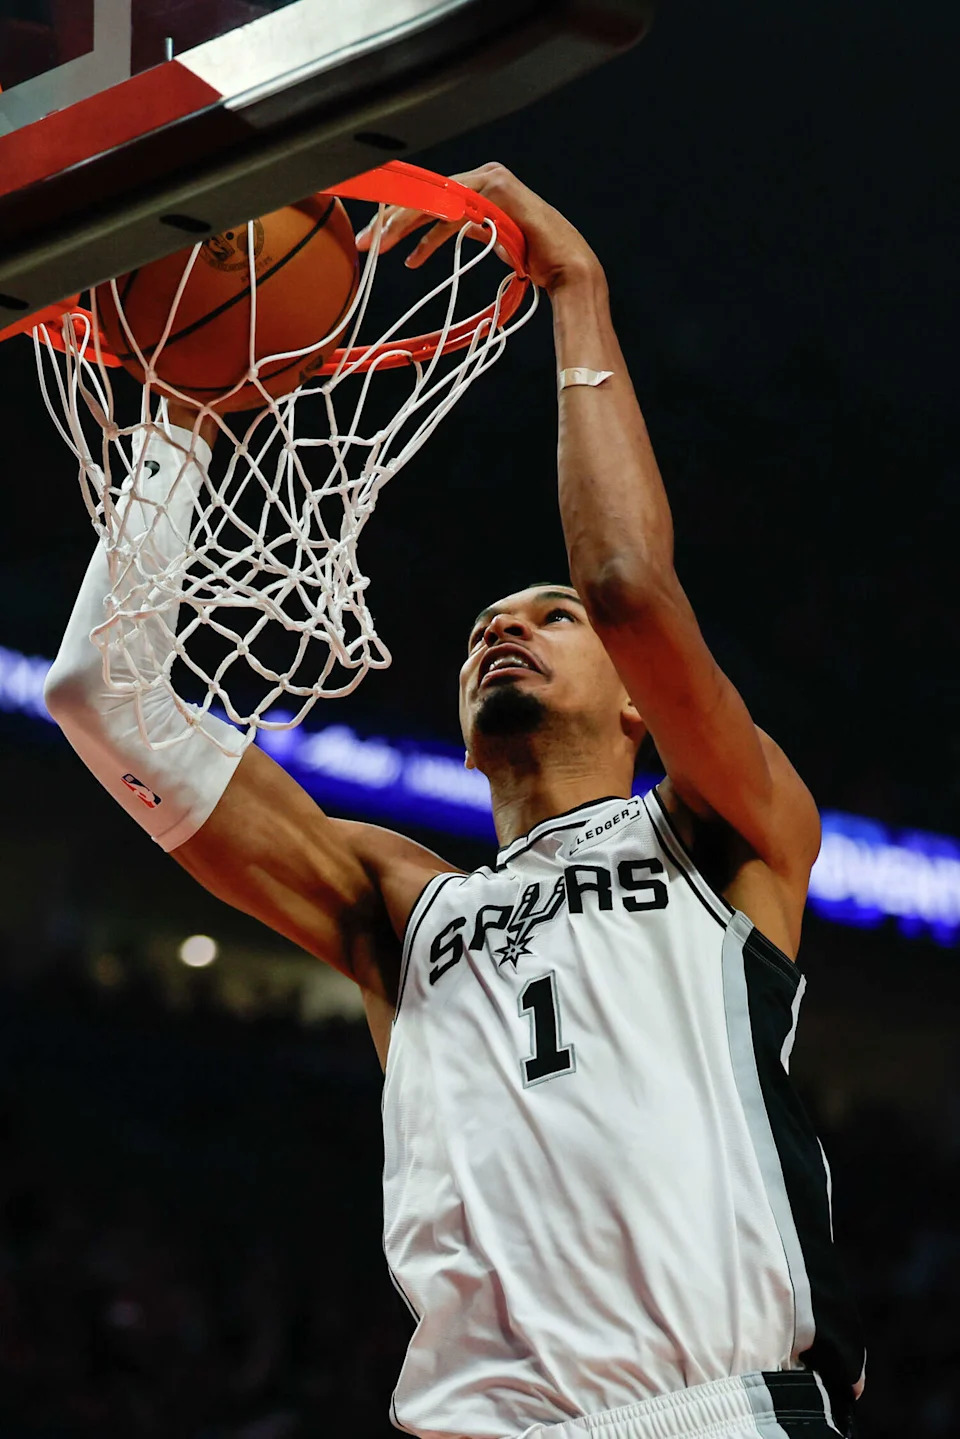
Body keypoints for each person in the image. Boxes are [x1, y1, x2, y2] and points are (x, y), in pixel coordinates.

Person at [44, 164, 865, 1439]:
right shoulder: (398, 905)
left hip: (710, 1411)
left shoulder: (723, 831)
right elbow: (102, 695)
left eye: (550, 618)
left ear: (641, 706)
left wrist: (576, 290)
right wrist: (181, 422)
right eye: (487, 623)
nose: (508, 627)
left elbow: (629, 580)